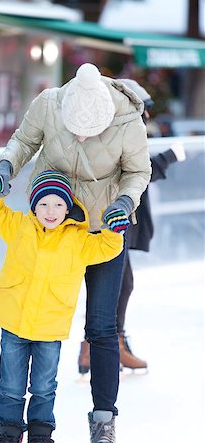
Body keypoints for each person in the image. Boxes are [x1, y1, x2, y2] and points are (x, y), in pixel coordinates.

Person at [0, 63, 151, 443]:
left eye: (87, 131)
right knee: (22, 318)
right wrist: (5, 168)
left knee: (102, 327)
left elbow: (138, 172)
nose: (78, 135)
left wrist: (123, 202)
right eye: (73, 128)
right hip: (52, 224)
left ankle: (103, 419)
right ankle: (1, 420)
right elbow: (24, 142)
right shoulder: (49, 104)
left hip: (105, 228)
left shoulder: (127, 122)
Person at [0, 169, 126, 443]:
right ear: (33, 205)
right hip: (14, 321)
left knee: (44, 386)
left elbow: (106, 248)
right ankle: (8, 429)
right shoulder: (20, 227)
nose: (51, 211)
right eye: (43, 204)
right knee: (11, 385)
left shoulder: (78, 239)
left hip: (50, 327)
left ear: (68, 208)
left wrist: (114, 229)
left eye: (59, 204)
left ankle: (40, 432)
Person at [77, 79, 186, 374]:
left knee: (120, 284)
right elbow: (135, 172)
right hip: (110, 221)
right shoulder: (118, 133)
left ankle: (96, 347)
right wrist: (169, 157)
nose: (147, 116)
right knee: (117, 284)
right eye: (145, 109)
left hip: (117, 220)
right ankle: (103, 346)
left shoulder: (124, 132)